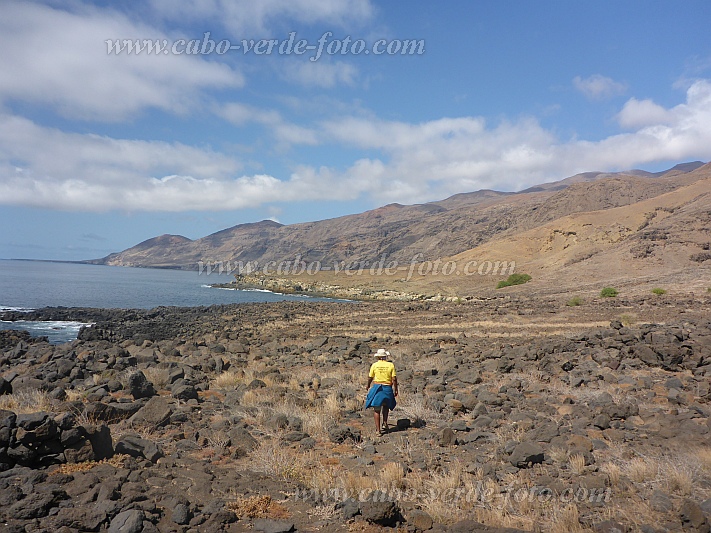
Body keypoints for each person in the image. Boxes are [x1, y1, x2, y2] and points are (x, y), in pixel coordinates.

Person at [364, 348, 398, 435]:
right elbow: (394, 378)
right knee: (386, 406)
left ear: (378, 357)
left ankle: (378, 431)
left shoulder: (374, 365)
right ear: (385, 356)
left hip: (377, 387)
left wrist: (368, 385)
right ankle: (385, 423)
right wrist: (396, 389)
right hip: (387, 387)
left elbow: (370, 377)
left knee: (377, 409)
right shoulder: (390, 365)